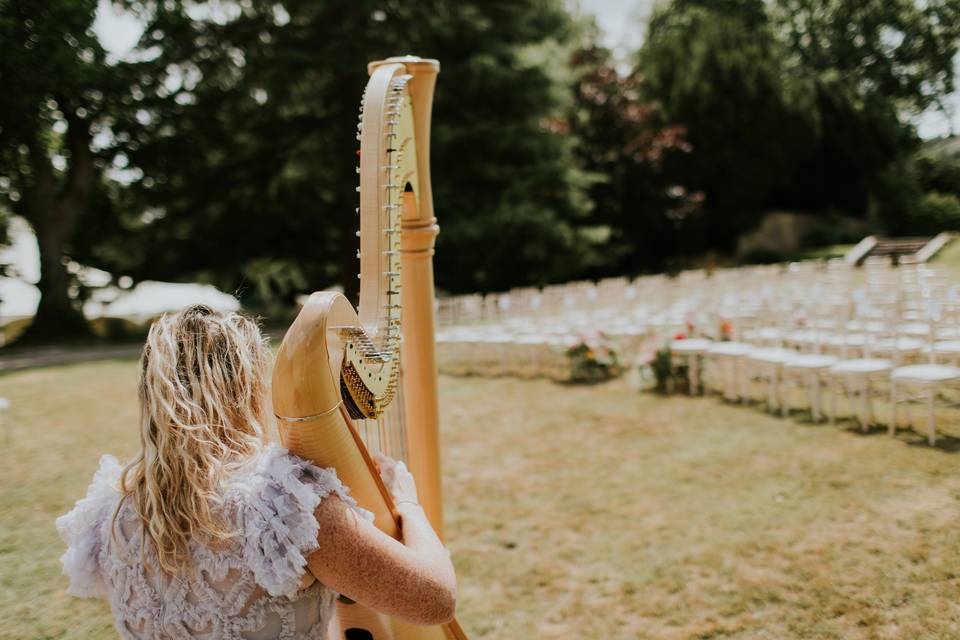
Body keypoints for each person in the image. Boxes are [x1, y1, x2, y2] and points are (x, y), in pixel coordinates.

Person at [56, 305, 456, 639]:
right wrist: (406, 500)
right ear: (247, 385)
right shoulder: (279, 506)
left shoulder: (109, 510)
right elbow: (435, 601)